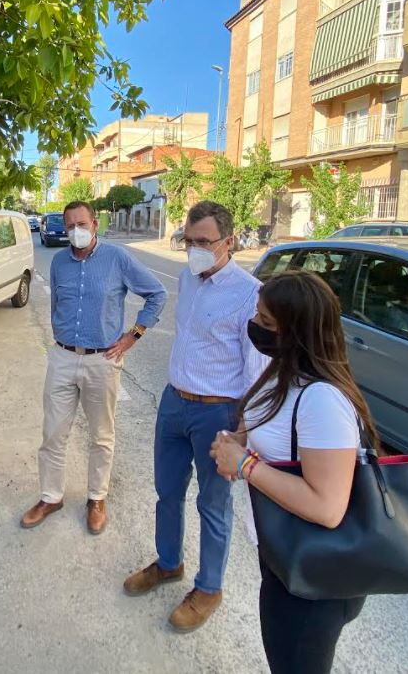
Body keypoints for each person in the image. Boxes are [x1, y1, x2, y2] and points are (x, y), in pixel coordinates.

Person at [210, 270, 379, 674]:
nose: (255, 327)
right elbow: (267, 431)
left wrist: (245, 465)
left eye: (267, 323)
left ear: (298, 332)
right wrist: (236, 441)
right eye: (257, 315)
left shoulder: (322, 399)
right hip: (281, 552)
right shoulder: (281, 371)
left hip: (318, 576)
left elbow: (327, 506)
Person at [123, 200, 268, 633]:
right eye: (189, 241)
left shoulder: (249, 294)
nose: (194, 250)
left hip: (217, 413)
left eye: (203, 242)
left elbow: (257, 370)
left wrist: (242, 432)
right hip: (173, 402)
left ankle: (209, 587)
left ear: (229, 242)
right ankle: (169, 563)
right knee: (167, 491)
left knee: (213, 505)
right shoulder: (188, 277)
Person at [21, 200, 167, 534]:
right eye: (70, 225)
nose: (75, 231)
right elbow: (58, 303)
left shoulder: (118, 259)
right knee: (53, 433)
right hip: (62, 357)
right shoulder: (58, 261)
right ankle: (50, 496)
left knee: (101, 436)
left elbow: (156, 295)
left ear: (95, 225)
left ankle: (96, 498)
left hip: (103, 359)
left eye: (81, 224)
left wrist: (134, 335)